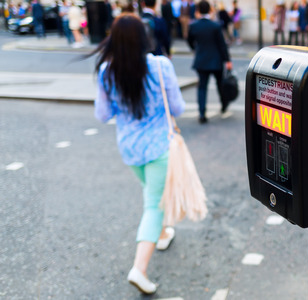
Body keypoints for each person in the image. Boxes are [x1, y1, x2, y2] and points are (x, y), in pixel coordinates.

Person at [91, 13, 185, 295]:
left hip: (129, 147)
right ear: (144, 38)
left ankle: (163, 233)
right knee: (153, 205)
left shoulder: (107, 71)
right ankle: (139, 269)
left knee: (151, 192)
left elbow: (103, 114)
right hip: (158, 145)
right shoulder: (160, 66)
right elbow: (178, 108)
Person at [187, 0, 233, 124]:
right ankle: (224, 105)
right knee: (220, 85)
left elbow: (190, 41)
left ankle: (202, 113)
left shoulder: (194, 25)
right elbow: (222, 45)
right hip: (216, 60)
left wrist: (195, 49)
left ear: (197, 11)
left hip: (201, 60)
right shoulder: (215, 25)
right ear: (210, 10)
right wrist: (227, 60)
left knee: (202, 87)